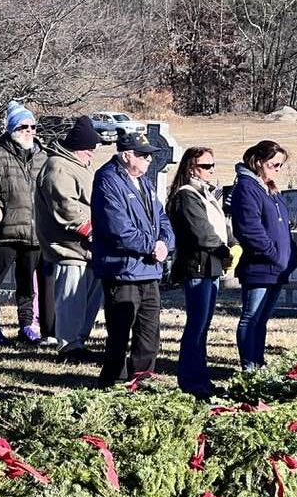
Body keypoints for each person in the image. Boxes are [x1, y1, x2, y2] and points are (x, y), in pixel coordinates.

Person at [91, 131, 174, 387]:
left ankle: (142, 382)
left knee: (149, 334)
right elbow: (117, 229)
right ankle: (112, 383)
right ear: (126, 155)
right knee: (119, 334)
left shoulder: (144, 182)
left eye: (150, 155)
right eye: (143, 154)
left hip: (149, 270)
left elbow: (162, 219)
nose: (149, 159)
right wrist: (152, 246)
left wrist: (165, 244)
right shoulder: (108, 180)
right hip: (122, 270)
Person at [0, 101, 51, 347]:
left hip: (34, 233)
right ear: (12, 128)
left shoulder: (43, 156)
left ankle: (27, 326)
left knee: (27, 285)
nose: (29, 131)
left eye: (33, 126)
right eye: (24, 126)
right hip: (5, 231)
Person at [35, 116, 103, 364]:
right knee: (71, 299)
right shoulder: (58, 167)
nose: (92, 155)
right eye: (89, 150)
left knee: (87, 298)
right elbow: (66, 208)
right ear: (79, 148)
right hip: (69, 247)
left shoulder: (78, 166)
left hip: (88, 249)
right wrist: (93, 230)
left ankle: (79, 341)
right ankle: (69, 345)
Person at [166, 146, 231, 397]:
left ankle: (201, 378)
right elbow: (201, 232)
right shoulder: (186, 195)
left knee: (203, 326)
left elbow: (220, 225)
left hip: (210, 266)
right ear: (191, 167)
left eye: (213, 165)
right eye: (206, 166)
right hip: (198, 266)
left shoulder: (205, 193)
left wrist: (230, 246)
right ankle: (191, 380)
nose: (211, 170)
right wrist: (224, 251)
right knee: (196, 325)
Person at [231, 140, 297, 370]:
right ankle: (249, 365)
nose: (277, 169)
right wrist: (274, 254)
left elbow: (282, 228)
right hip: (260, 265)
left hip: (276, 266)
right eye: (273, 164)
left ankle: (258, 362)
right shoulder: (247, 188)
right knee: (251, 317)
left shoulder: (269, 188)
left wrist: (289, 255)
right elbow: (250, 229)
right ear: (258, 161)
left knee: (262, 319)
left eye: (280, 165)